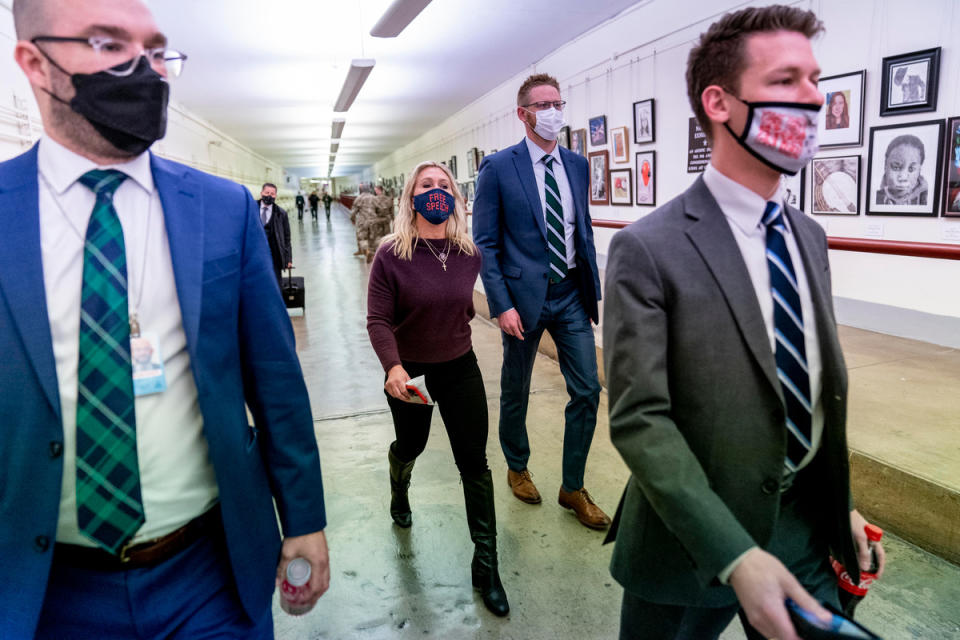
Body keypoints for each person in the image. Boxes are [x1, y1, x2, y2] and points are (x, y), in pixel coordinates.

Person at [1, 1, 330, 638]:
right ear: (32, 63)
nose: (144, 69)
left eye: (155, 49)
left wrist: (305, 518)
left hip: (207, 574)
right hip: (43, 590)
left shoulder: (220, 209)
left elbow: (276, 383)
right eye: (106, 44)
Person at [602, 7, 885, 640]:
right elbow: (639, 419)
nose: (815, 98)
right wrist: (732, 553)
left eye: (816, 80)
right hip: (689, 542)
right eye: (788, 81)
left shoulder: (808, 237)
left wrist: (837, 504)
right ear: (720, 102)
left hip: (804, 532)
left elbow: (806, 389)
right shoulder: (649, 248)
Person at [366, 161, 509, 617]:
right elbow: (378, 320)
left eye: (444, 185)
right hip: (411, 374)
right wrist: (393, 367)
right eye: (426, 185)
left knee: (475, 461)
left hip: (459, 366)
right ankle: (399, 485)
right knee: (412, 444)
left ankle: (487, 565)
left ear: (455, 197)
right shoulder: (391, 252)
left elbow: (464, 310)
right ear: (411, 197)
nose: (436, 192)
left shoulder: (469, 252)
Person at [473, 73, 609, 531]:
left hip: (570, 293)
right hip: (521, 300)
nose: (554, 111)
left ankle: (573, 487)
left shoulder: (576, 164)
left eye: (558, 102)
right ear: (524, 113)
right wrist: (502, 304)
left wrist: (591, 289)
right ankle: (517, 464)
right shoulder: (499, 167)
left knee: (588, 390)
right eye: (543, 104)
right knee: (516, 389)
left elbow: (581, 229)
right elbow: (486, 244)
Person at [875, 135, 928, 206]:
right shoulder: (874, 198)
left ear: (919, 170)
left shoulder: (925, 201)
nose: (903, 178)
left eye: (911, 169)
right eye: (896, 167)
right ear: (885, 166)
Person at [258, 182, 293, 288]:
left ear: (276, 196)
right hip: (255, 254)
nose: (269, 195)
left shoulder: (281, 213)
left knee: (276, 284)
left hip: (275, 254)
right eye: (267, 192)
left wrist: (288, 258)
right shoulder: (251, 209)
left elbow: (287, 237)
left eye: (272, 194)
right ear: (261, 193)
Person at [351, 185, 379, 263]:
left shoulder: (359, 198)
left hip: (363, 221)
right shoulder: (374, 198)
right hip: (373, 220)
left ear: (361, 190)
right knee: (372, 238)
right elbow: (378, 209)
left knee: (362, 238)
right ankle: (374, 254)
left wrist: (352, 219)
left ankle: (367, 251)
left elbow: (353, 211)